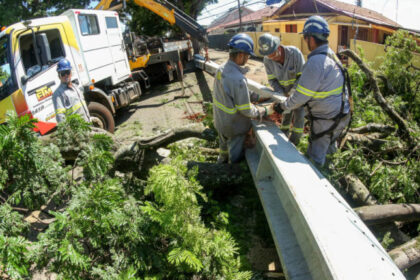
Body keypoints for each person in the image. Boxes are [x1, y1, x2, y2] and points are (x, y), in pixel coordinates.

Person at [272, 16, 351, 166]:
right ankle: (332, 176)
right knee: (329, 149)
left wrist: (281, 107)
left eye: (306, 38)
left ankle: (320, 180)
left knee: (315, 159)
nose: (306, 41)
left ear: (311, 38)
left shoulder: (315, 62)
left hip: (326, 120)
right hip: (341, 115)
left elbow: (300, 97)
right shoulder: (331, 54)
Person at [213, 33, 273, 164]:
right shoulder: (238, 79)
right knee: (235, 156)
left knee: (223, 148)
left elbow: (231, 91)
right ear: (241, 55)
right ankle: (230, 174)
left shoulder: (221, 69)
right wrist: (265, 111)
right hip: (233, 126)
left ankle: (220, 162)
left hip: (220, 120)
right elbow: (246, 110)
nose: (248, 58)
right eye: (248, 55)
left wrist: (257, 96)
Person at [258, 33, 305, 145]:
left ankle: (295, 142)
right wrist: (281, 94)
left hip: (298, 92)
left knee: (299, 116)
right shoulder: (267, 60)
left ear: (278, 47)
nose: (272, 58)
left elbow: (302, 77)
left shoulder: (295, 54)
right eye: (269, 56)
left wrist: (292, 93)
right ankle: (283, 137)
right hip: (283, 94)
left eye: (274, 55)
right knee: (286, 115)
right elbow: (272, 80)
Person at [52, 58, 90, 123]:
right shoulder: (58, 94)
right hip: (77, 129)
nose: (66, 75)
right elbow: (60, 117)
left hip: (87, 124)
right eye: (63, 73)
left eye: (67, 72)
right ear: (59, 76)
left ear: (71, 73)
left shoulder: (76, 87)